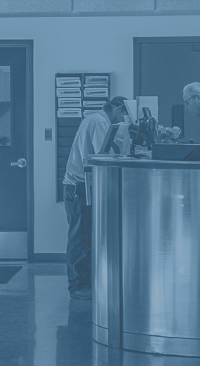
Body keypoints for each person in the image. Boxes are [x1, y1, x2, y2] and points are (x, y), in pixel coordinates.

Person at [63, 96, 129, 300]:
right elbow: (105, 154)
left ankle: (84, 282)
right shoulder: (101, 121)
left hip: (79, 184)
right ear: (117, 108)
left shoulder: (94, 119)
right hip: (79, 186)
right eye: (124, 113)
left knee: (84, 235)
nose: (124, 119)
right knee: (80, 237)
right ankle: (77, 286)